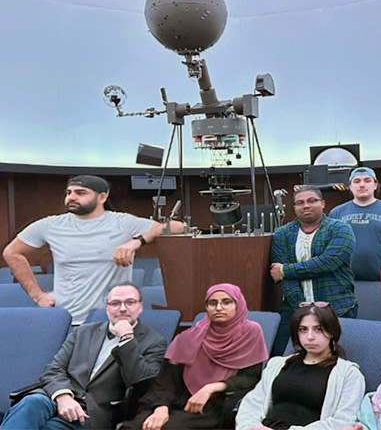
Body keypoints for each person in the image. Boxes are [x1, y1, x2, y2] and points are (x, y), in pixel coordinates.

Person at [2, 174, 184, 324]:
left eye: (81, 193)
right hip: (68, 320)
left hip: (113, 320)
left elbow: (177, 227)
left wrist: (136, 242)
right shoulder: (50, 225)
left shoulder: (122, 222)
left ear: (102, 197)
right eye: (69, 192)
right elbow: (12, 252)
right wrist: (38, 296)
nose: (72, 197)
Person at [0, 284, 167, 430]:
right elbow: (53, 370)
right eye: (115, 303)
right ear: (107, 307)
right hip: (58, 397)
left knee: (46, 427)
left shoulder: (154, 341)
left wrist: (126, 340)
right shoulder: (83, 332)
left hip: (91, 412)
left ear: (140, 306)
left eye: (130, 302)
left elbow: (142, 384)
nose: (122, 308)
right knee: (31, 402)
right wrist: (62, 396)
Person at [120, 283, 268, 430]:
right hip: (175, 401)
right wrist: (161, 407)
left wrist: (211, 388)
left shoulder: (250, 332)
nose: (218, 308)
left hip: (216, 405)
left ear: (238, 305)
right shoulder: (188, 337)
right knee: (134, 427)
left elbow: (251, 378)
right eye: (212, 303)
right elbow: (165, 382)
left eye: (227, 302)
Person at [236, 302, 365, 430]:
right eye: (303, 329)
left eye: (318, 329)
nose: (310, 337)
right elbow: (251, 404)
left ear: (332, 331)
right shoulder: (277, 365)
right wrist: (251, 427)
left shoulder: (348, 374)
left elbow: (343, 421)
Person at [270, 185, 357, 356]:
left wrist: (286, 270)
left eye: (312, 201)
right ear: (294, 208)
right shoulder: (282, 234)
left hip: (337, 306)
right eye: (300, 203)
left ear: (323, 203)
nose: (306, 206)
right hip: (294, 309)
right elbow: (281, 277)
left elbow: (328, 263)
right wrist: (303, 307)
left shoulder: (340, 229)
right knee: (279, 358)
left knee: (337, 358)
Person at [329, 167, 381, 281]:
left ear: (375, 185)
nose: (362, 185)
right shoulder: (337, 213)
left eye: (367, 180)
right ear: (350, 186)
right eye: (357, 181)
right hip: (345, 282)